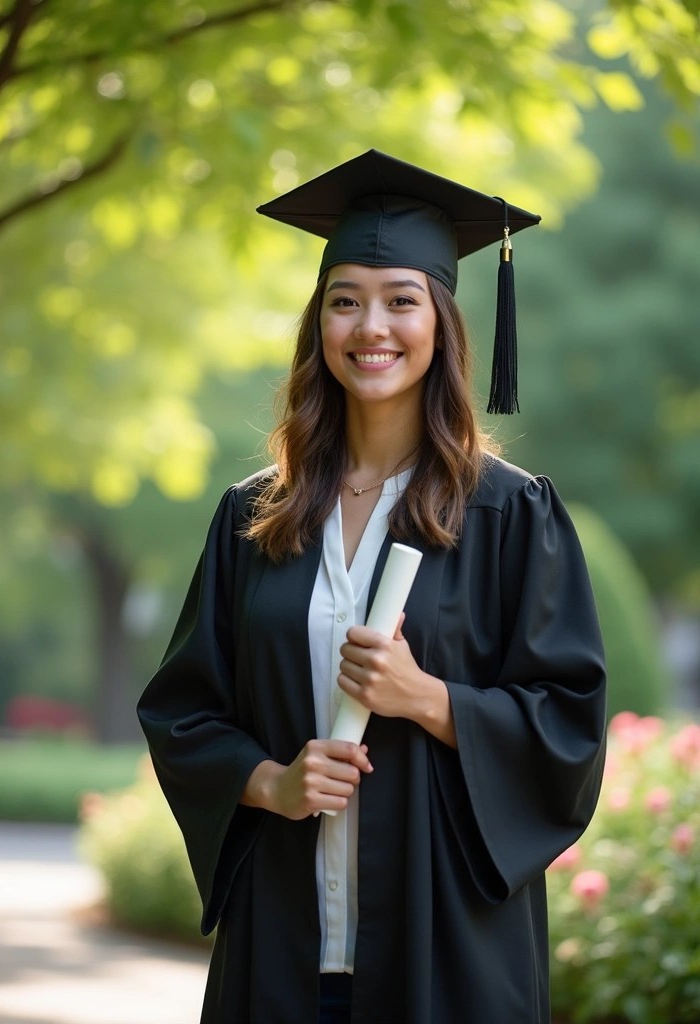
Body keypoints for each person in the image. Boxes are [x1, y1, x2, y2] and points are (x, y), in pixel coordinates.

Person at [137, 150, 607, 1024]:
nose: (371, 326)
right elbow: (183, 711)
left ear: (442, 322)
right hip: (282, 942)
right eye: (344, 300)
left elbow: (569, 722)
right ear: (319, 324)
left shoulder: (509, 514)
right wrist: (270, 782)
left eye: (402, 299)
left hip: (450, 955)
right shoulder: (259, 518)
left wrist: (430, 701)